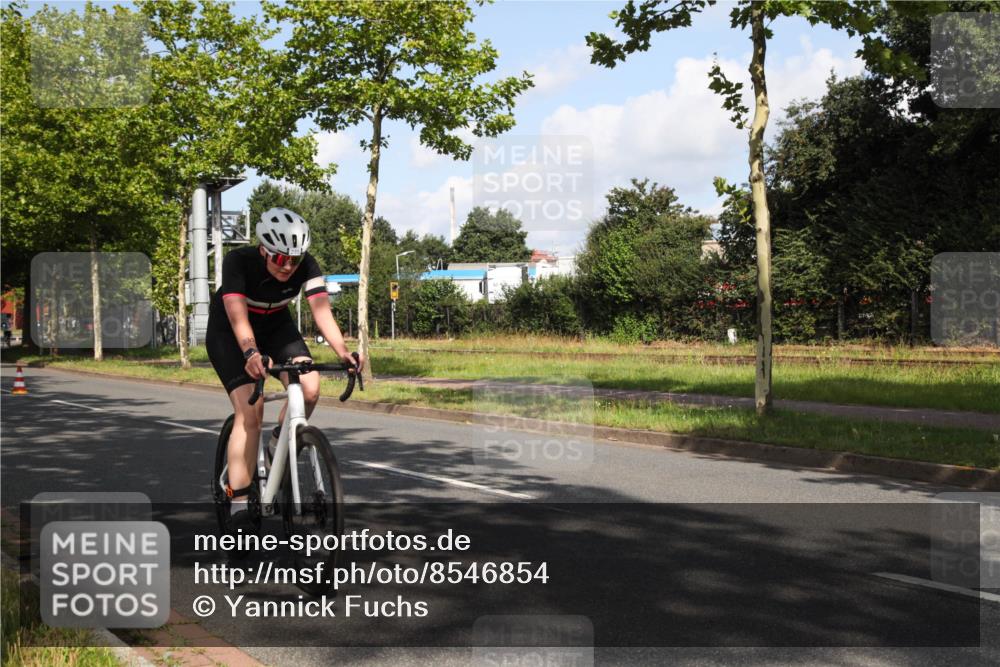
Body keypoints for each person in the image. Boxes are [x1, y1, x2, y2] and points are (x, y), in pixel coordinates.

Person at [206, 207, 362, 537]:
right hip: (231, 332)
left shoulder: (306, 265)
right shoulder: (238, 261)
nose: (288, 267)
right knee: (251, 409)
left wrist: (344, 352)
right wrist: (250, 352)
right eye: (280, 259)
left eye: (295, 259)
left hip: (276, 326)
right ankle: (237, 502)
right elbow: (236, 315)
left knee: (309, 386)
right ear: (263, 249)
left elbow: (322, 312)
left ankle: (276, 446)